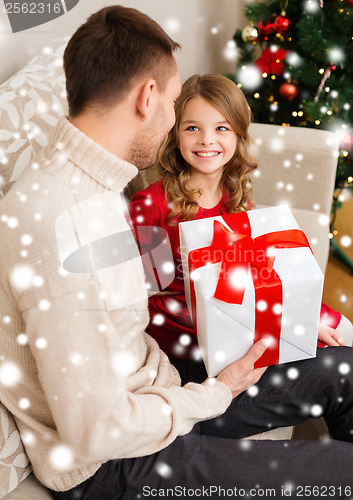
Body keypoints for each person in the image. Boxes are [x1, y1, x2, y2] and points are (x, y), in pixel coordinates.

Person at [0, 6, 353, 500]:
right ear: (148, 98)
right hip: (117, 461)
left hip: (165, 402)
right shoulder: (59, 224)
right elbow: (96, 431)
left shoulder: (98, 185)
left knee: (345, 370)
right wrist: (215, 392)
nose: (173, 120)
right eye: (173, 103)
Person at [128, 73, 353, 363]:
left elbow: (246, 271)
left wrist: (294, 314)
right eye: (193, 128)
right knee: (323, 345)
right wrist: (293, 325)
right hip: (187, 319)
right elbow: (136, 292)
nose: (207, 140)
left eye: (221, 128)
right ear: (176, 135)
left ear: (238, 135)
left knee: (340, 325)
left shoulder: (231, 191)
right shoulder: (152, 205)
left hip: (239, 299)